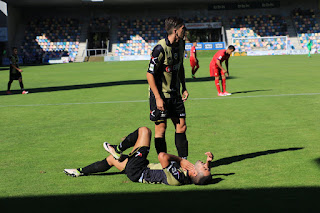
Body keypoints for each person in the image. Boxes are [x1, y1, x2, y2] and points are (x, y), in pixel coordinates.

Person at [64, 127, 213, 186]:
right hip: (138, 171)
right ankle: (79, 171)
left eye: (205, 168)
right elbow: (202, 175)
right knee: (111, 160)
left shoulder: (178, 178)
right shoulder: (188, 173)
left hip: (138, 170)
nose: (206, 166)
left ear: (194, 172)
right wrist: (208, 161)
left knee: (144, 131)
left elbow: (162, 156)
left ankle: (117, 148)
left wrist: (180, 159)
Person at [146, 17, 189, 159]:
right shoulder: (160, 49)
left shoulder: (181, 44)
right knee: (161, 129)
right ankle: (165, 163)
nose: (185, 31)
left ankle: (184, 162)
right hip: (160, 95)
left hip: (175, 94)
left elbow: (180, 66)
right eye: (183, 28)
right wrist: (158, 98)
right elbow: (149, 74)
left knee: (181, 126)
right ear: (176, 31)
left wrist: (184, 86)